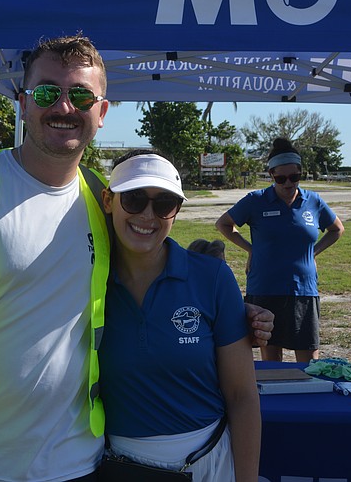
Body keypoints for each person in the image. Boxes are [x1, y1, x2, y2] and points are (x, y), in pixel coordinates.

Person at [0, 33, 273, 482]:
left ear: (101, 112)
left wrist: (234, 315)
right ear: (23, 102)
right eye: (46, 92)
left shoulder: (100, 200)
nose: (63, 107)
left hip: (79, 464)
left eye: (80, 95)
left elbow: (152, 270)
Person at [99, 152, 260, 482]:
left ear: (177, 212)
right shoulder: (87, 278)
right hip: (118, 467)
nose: (148, 215)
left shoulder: (212, 277)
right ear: (108, 200)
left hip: (208, 463)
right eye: (133, 198)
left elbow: (242, 396)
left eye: (164, 204)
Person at [215, 137, 344, 363]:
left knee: (309, 362)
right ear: (271, 175)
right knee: (271, 362)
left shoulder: (313, 201)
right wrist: (250, 249)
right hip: (266, 288)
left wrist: (312, 253)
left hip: (303, 289)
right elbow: (224, 224)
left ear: (301, 173)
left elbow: (336, 229)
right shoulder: (256, 200)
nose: (288, 183)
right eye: (281, 178)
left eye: (294, 177)